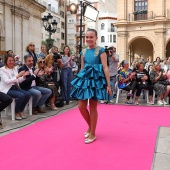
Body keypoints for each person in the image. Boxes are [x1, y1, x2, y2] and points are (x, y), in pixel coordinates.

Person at [70, 29, 112, 144]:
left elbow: (105, 68)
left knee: (93, 107)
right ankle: (90, 127)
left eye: (91, 37)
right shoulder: (83, 52)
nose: (88, 39)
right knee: (81, 106)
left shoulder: (101, 51)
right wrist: (80, 82)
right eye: (87, 37)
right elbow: (82, 68)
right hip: (85, 81)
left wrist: (108, 84)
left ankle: (92, 133)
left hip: (96, 81)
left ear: (96, 38)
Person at [0, 54, 31, 120]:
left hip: (15, 87)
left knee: (28, 94)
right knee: (21, 95)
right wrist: (17, 76)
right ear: (6, 61)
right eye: (9, 60)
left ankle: (20, 110)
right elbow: (7, 81)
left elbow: (18, 81)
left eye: (12, 60)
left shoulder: (15, 69)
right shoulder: (2, 70)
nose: (11, 62)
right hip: (7, 89)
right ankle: (16, 112)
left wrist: (23, 77)